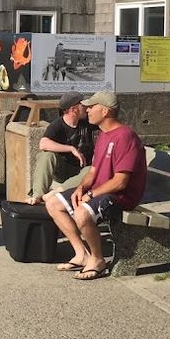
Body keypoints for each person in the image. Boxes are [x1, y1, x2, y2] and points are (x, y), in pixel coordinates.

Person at [44, 91, 147, 281]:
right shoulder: (103, 136)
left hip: (121, 197)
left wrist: (90, 195)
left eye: (92, 106)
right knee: (53, 204)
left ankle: (97, 260)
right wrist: (80, 188)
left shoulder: (125, 137)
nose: (87, 110)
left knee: (82, 213)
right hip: (101, 191)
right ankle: (81, 254)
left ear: (105, 111)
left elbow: (120, 182)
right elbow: (92, 172)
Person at [28, 91, 97, 204]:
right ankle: (37, 195)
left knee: (91, 170)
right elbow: (43, 143)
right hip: (63, 169)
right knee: (46, 156)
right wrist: (71, 149)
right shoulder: (57, 125)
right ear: (74, 109)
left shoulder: (88, 122)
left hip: (82, 170)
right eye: (83, 105)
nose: (87, 108)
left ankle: (52, 194)